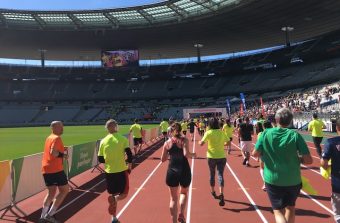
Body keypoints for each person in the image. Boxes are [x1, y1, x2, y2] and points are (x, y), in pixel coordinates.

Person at [253, 108, 313, 223]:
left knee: (278, 211)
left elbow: (255, 154)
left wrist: (268, 154)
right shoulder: (295, 135)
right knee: (290, 208)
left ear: (276, 119)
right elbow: (309, 160)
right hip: (293, 180)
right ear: (290, 121)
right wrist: (297, 158)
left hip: (273, 179)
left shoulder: (266, 133)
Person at [98, 119, 133, 223]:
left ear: (107, 128)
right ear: (116, 127)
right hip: (121, 170)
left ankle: (113, 218)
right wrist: (129, 166)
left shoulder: (103, 141)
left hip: (109, 172)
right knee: (124, 194)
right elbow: (129, 155)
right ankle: (116, 200)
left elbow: (100, 159)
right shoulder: (122, 139)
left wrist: (110, 162)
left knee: (113, 194)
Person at [161, 123, 196, 223]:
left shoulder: (167, 143)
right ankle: (181, 214)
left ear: (170, 131)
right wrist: (194, 154)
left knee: (173, 198)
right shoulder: (184, 140)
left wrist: (170, 154)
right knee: (184, 193)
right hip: (184, 170)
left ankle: (174, 221)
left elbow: (162, 159)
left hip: (172, 170)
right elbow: (186, 154)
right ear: (180, 130)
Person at [40, 121, 69, 223]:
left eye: (62, 127)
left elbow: (51, 150)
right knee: (65, 190)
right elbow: (53, 152)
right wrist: (63, 155)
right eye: (60, 127)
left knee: (51, 193)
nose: (62, 129)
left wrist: (62, 149)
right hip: (55, 169)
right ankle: (50, 214)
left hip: (46, 169)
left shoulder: (49, 137)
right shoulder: (57, 138)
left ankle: (42, 217)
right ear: (54, 128)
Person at [199, 117, 230, 207]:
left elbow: (201, 144)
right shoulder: (221, 132)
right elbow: (228, 142)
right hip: (221, 156)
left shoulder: (208, 133)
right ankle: (221, 193)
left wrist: (199, 143)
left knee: (212, 174)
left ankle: (213, 191)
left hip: (211, 157)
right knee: (220, 175)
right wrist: (222, 144)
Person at [321, 118, 340, 223]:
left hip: (337, 179)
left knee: (337, 206)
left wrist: (326, 170)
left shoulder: (331, 142)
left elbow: (323, 163)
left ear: (336, 128)